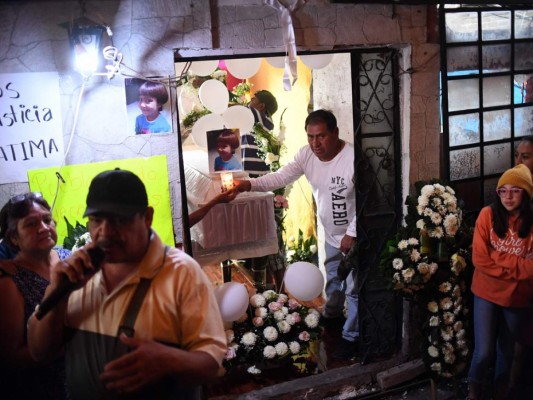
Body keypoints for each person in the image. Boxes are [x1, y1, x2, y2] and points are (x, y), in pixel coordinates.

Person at [27, 169, 227, 400]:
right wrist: (57, 295)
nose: (105, 232)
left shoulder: (183, 273)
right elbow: (39, 352)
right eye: (96, 220)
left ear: (147, 217)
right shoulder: (76, 271)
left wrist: (168, 360)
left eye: (119, 220)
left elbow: (212, 366)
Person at [235, 109, 358, 359]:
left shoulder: (353, 157)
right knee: (334, 277)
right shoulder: (306, 155)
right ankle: (333, 316)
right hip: (332, 234)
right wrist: (250, 184)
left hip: (356, 235)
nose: (315, 143)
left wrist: (353, 233)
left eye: (321, 136)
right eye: (311, 137)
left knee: (354, 287)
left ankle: (352, 337)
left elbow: (370, 199)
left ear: (335, 133)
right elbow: (281, 176)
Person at [468, 164, 533, 400]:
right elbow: (479, 259)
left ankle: (500, 392)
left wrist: (497, 260)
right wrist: (518, 264)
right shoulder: (487, 215)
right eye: (502, 191)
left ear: (525, 193)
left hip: (516, 296)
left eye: (515, 190)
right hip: (485, 292)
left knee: (506, 351)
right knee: (484, 352)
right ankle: (473, 390)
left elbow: (532, 270)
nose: (507, 196)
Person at [0, 192, 68, 400]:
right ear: (14, 237)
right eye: (31, 224)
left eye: (47, 220)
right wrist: (73, 346)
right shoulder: (8, 280)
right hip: (40, 388)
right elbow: (11, 357)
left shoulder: (66, 257)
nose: (44, 228)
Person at [241, 90, 278, 177]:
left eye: (253, 99)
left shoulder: (258, 116)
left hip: (251, 177)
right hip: (259, 177)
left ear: (261, 106)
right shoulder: (258, 123)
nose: (249, 101)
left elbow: (238, 109)